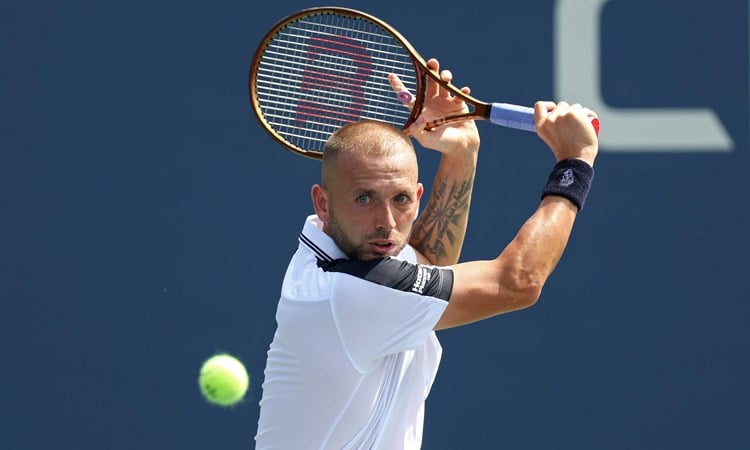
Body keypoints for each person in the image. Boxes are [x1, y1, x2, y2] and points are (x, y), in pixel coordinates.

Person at [254, 58, 599, 449]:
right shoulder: (348, 293)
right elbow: (517, 282)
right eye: (364, 198)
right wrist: (575, 163)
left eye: (400, 199)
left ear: (417, 196)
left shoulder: (339, 254)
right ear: (323, 203)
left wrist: (462, 153)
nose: (386, 221)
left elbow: (425, 265)